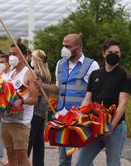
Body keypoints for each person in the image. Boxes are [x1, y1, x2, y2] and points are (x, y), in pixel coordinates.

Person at [37, 33, 99, 166]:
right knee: (63, 158)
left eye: (67, 46)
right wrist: (43, 86)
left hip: (81, 118)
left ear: (78, 48)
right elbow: (58, 88)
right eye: (63, 45)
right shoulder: (60, 64)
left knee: (85, 158)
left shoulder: (92, 65)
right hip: (62, 117)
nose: (64, 49)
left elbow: (95, 93)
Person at [75, 38, 131, 166]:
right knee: (81, 163)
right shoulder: (95, 74)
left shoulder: (125, 75)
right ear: (104, 53)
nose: (113, 55)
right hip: (94, 126)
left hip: (115, 128)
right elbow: (87, 100)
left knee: (113, 163)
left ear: (120, 54)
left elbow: (123, 103)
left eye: (117, 52)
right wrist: (78, 118)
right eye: (110, 52)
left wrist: (111, 126)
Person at [1, 43, 39, 166]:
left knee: (21, 157)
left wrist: (22, 101)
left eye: (15, 54)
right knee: (10, 155)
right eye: (10, 54)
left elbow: (34, 99)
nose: (12, 57)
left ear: (25, 55)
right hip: (6, 120)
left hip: (20, 122)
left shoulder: (29, 73)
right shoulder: (11, 73)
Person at [27, 50, 51, 166]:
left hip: (35, 110)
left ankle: (22, 162)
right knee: (38, 144)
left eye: (32, 57)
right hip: (42, 110)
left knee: (28, 141)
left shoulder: (35, 73)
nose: (31, 59)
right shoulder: (46, 72)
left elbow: (36, 93)